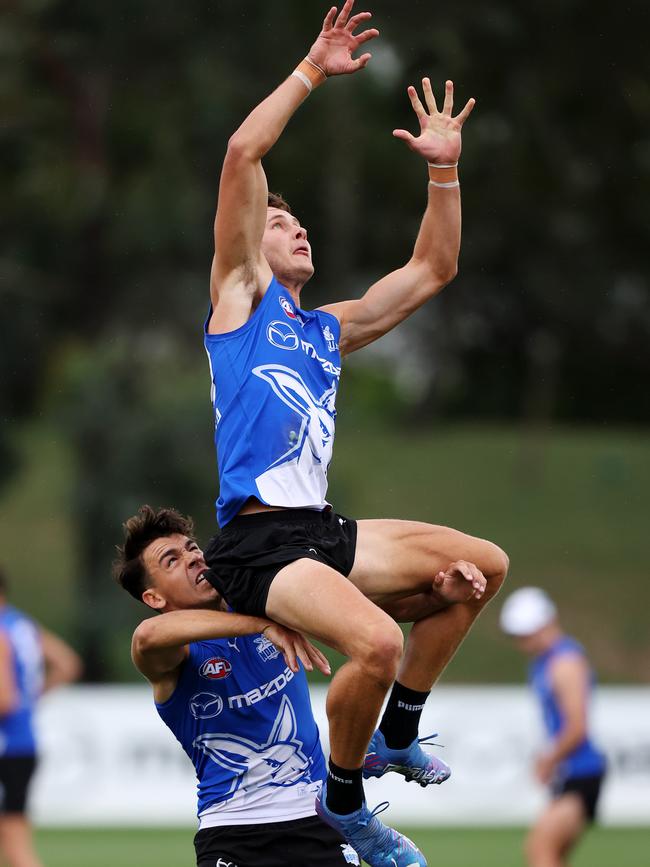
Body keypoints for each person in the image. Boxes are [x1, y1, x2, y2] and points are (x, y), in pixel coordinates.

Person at [204, 2, 509, 863]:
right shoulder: (237, 300)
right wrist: (312, 67)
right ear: (248, 245)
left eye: (300, 222)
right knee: (375, 640)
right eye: (277, 222)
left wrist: (443, 172)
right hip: (259, 545)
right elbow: (242, 154)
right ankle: (346, 806)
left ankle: (398, 734)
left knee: (479, 569)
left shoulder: (325, 329)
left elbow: (432, 269)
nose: (296, 228)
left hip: (322, 531)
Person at [114, 504, 366, 867]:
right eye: (171, 560)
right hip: (233, 833)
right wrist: (260, 626)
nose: (192, 558)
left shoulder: (269, 600)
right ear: (154, 598)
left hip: (318, 821)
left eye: (191, 548)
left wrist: (434, 590)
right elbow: (147, 635)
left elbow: (358, 597)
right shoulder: (175, 655)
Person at [499, 586, 607, 867]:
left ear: (548, 622)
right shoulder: (545, 662)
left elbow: (577, 726)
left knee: (540, 849)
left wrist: (549, 759)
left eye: (528, 633)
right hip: (571, 772)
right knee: (554, 855)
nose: (523, 643)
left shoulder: (565, 662)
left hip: (582, 772)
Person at [0, 567, 82, 867]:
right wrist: (31, 697)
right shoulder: (21, 624)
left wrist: (20, 699)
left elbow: (4, 699)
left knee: (16, 846)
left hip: (7, 746)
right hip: (22, 744)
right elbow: (67, 663)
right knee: (10, 841)